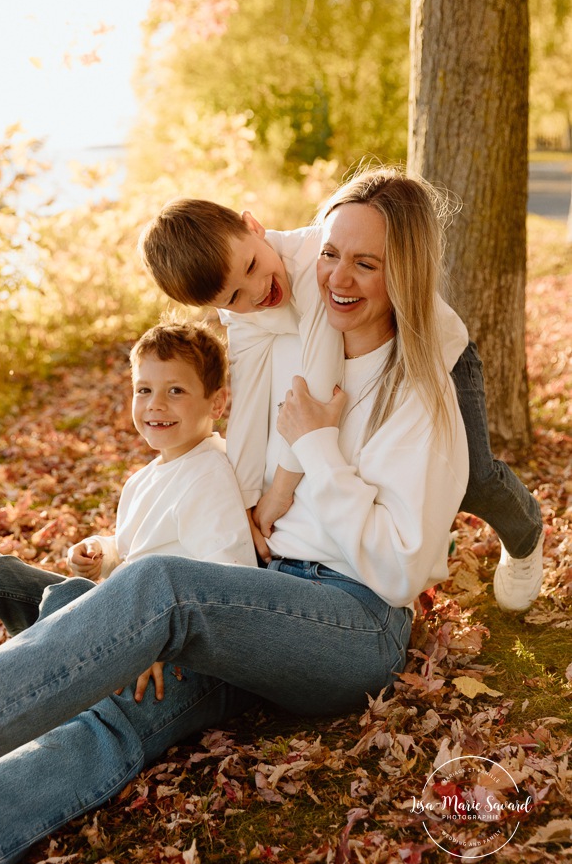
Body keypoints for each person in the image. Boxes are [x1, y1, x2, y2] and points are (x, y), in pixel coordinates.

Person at [0, 168, 469, 864]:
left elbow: (402, 570)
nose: (338, 276)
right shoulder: (293, 335)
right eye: (331, 253)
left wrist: (318, 450)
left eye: (366, 263)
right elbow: (244, 413)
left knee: (161, 588)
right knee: (127, 707)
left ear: (403, 270)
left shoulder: (420, 399)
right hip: (261, 598)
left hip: (355, 624)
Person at [140, 191, 544, 613]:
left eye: (253, 267)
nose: (257, 292)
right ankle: (410, 545)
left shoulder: (317, 258)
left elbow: (319, 377)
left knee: (474, 478)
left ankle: (526, 532)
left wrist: (278, 491)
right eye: (233, 298)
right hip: (366, 354)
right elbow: (248, 393)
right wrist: (243, 501)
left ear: (253, 226)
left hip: (431, 350)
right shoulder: (243, 309)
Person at [0, 320, 257, 697]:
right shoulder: (147, 477)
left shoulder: (210, 474)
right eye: (144, 389)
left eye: (175, 390)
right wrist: (103, 553)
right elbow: (137, 548)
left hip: (149, 639)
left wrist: (153, 644)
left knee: (63, 599)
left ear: (217, 402)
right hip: (111, 616)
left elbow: (227, 588)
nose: (155, 404)